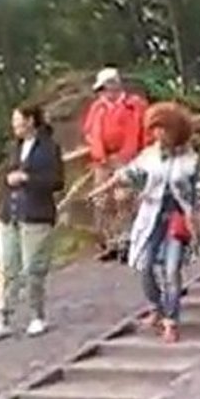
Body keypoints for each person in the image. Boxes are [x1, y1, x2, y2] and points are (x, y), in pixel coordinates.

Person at [86, 102, 200, 343]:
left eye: (164, 128)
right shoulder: (149, 156)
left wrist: (198, 217)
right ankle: (156, 306)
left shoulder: (189, 158)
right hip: (151, 218)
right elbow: (127, 174)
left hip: (177, 219)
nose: (159, 133)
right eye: (155, 128)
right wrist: (103, 190)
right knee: (145, 265)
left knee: (171, 269)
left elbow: (197, 190)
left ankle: (171, 320)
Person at [0, 104, 65, 343]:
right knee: (7, 268)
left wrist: (28, 178)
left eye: (18, 121)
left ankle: (36, 315)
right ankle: (4, 319)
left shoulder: (49, 148)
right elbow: (1, 174)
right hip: (11, 213)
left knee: (33, 268)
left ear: (31, 121)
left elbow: (57, 181)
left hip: (36, 214)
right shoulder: (13, 148)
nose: (15, 126)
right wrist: (7, 179)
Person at [82, 67, 148, 263]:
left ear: (115, 86)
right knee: (102, 200)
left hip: (128, 158)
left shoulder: (134, 105)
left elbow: (143, 131)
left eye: (105, 88)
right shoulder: (97, 108)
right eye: (101, 90)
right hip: (103, 160)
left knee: (124, 198)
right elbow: (88, 132)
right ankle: (111, 242)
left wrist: (135, 157)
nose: (103, 93)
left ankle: (129, 240)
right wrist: (98, 153)